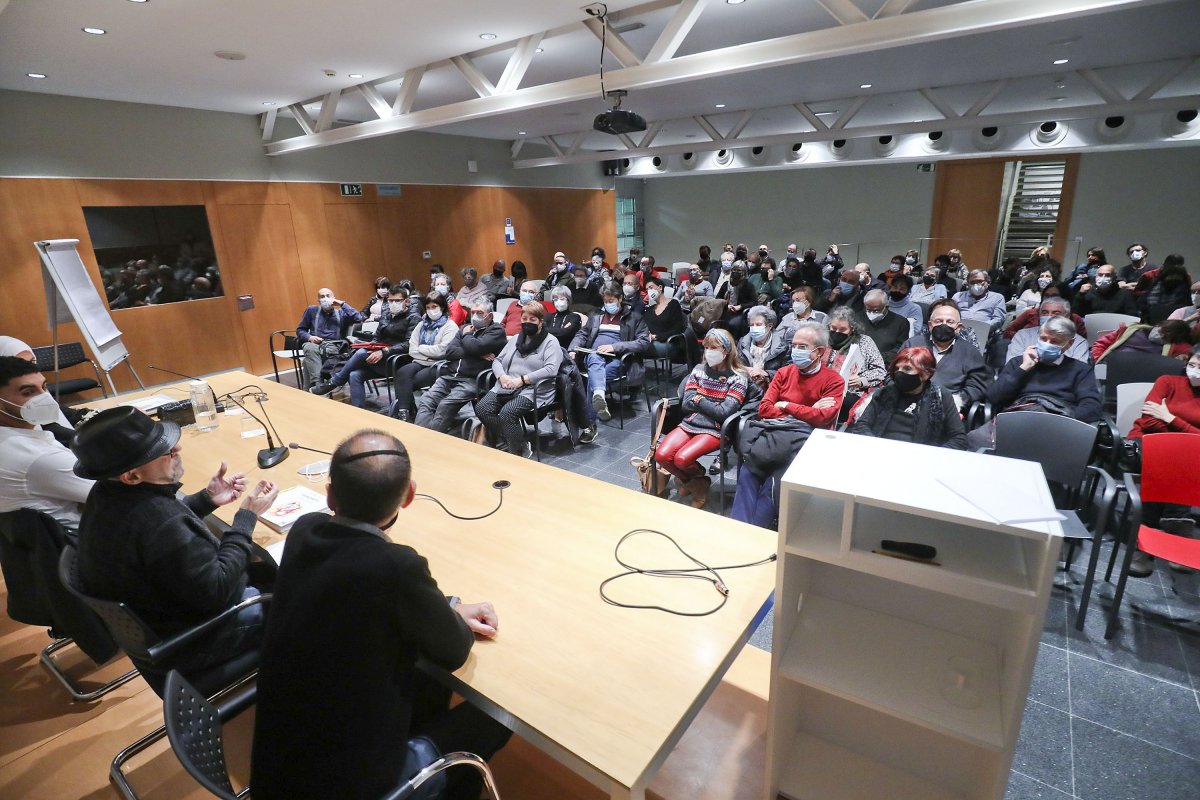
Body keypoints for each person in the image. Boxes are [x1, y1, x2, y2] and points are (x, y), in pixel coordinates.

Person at [250, 430, 510, 800]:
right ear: (409, 496)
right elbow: (453, 650)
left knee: (420, 675)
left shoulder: (304, 530)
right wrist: (445, 613)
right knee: (495, 716)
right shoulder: (395, 565)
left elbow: (362, 595)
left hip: (281, 765)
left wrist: (445, 605)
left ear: (329, 494)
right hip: (353, 784)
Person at [72, 407, 278, 690]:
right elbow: (217, 590)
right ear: (131, 476)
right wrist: (246, 518)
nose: (178, 447)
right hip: (195, 639)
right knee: (297, 588)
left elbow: (156, 529)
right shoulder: (160, 522)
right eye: (164, 451)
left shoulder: (106, 494)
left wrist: (208, 499)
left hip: (159, 625)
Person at [730, 322, 844, 528]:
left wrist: (787, 405)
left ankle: (755, 532)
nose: (795, 351)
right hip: (772, 434)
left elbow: (823, 417)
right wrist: (806, 410)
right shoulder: (784, 373)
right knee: (747, 474)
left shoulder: (834, 380)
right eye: (794, 345)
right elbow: (765, 409)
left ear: (818, 352)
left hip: (803, 443)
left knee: (773, 485)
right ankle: (738, 531)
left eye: (802, 347)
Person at [657, 329, 750, 509]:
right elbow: (686, 403)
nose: (708, 352)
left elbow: (724, 413)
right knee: (662, 455)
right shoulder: (699, 370)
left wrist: (699, 398)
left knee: (682, 459)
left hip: (716, 428)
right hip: (690, 422)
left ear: (726, 350)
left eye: (713, 347)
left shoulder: (739, 377)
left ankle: (693, 484)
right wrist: (711, 404)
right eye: (706, 347)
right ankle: (698, 482)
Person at [0, 357, 94, 529]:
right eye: (28, 392)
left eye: (43, 387)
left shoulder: (20, 435)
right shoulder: (37, 458)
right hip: (88, 545)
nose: (44, 398)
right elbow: (119, 494)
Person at [981, 316, 1103, 446]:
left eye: (1054, 342)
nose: (1047, 344)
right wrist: (1023, 368)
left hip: (1058, 425)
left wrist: (1061, 420)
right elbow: (993, 397)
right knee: (974, 439)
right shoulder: (1018, 363)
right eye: (1043, 339)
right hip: (1017, 420)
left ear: (1069, 344)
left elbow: (1092, 407)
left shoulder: (1081, 370)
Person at [475, 302, 564, 458]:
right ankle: (517, 440)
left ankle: (517, 452)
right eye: (524, 318)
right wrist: (501, 376)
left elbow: (551, 369)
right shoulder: (516, 338)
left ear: (541, 322)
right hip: (507, 385)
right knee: (482, 408)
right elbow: (497, 360)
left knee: (507, 413)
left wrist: (523, 380)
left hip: (534, 389)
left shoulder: (550, 342)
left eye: (533, 319)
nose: (527, 322)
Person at [310, 285, 417, 406]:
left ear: (406, 301)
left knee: (360, 353)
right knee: (354, 374)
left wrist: (383, 351)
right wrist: (372, 346)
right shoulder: (386, 314)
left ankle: (335, 381)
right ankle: (359, 413)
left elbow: (408, 345)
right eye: (390, 300)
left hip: (397, 361)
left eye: (397, 301)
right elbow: (377, 337)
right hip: (378, 359)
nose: (393, 303)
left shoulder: (413, 317)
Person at [414, 300, 506, 434]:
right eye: (473, 312)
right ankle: (418, 435)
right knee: (426, 400)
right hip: (450, 375)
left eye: (479, 313)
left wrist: (468, 338)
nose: (475, 316)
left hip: (474, 380)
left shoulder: (496, 331)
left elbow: (476, 346)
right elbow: (449, 352)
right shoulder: (464, 328)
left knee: (445, 405)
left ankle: (430, 439)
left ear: (490, 316)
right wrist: (477, 354)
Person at [848, 347, 967, 449]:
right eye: (897, 368)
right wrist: (876, 446)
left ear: (925, 374)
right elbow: (862, 426)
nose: (899, 373)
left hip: (922, 458)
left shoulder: (941, 396)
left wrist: (933, 456)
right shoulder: (884, 393)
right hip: (881, 452)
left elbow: (958, 439)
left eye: (907, 369)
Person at [570, 282, 650, 424]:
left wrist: (615, 347)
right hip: (594, 355)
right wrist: (573, 349)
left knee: (594, 375)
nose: (608, 304)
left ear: (620, 298)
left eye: (611, 301)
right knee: (594, 358)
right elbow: (582, 334)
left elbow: (643, 342)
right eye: (605, 301)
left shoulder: (634, 318)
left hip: (620, 359)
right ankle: (599, 397)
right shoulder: (596, 316)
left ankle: (590, 421)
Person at [900, 299, 990, 412]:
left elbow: (978, 385)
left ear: (959, 327)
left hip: (947, 408)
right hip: (907, 403)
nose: (944, 325)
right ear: (930, 325)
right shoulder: (912, 344)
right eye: (938, 321)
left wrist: (958, 401)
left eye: (950, 322)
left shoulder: (970, 352)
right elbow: (893, 374)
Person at [390, 292, 460, 421]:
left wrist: (421, 349)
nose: (431, 310)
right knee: (401, 373)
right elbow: (412, 349)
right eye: (428, 307)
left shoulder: (451, 327)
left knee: (411, 380)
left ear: (442, 307)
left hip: (441, 365)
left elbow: (442, 351)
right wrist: (428, 353)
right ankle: (405, 411)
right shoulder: (421, 325)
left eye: (434, 307)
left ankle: (409, 412)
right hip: (421, 362)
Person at [823, 307, 886, 416]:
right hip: (821, 387)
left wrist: (861, 380)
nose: (837, 332)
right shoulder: (822, 339)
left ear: (852, 328)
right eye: (833, 328)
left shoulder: (864, 342)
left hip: (850, 391)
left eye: (843, 330)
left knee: (835, 404)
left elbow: (880, 371)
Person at [296, 287, 364, 389]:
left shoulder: (341, 313)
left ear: (333, 298)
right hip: (314, 344)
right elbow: (300, 330)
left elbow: (359, 318)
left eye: (328, 296)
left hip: (334, 347)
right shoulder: (311, 311)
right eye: (322, 297)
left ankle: (312, 389)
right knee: (309, 347)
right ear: (318, 300)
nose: (325, 298)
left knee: (307, 360)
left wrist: (342, 304)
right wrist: (309, 337)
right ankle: (318, 385)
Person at [1006, 297, 1091, 364]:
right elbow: (1012, 365)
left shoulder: (1078, 342)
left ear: (1067, 317)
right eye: (1045, 312)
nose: (1049, 316)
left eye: (1056, 313)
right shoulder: (1022, 335)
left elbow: (1078, 371)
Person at [738, 306, 790, 398]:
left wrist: (766, 373)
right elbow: (735, 364)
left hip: (771, 391)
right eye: (751, 325)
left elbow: (788, 374)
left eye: (758, 325)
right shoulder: (742, 343)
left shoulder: (783, 347)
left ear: (769, 326)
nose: (754, 328)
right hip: (743, 386)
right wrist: (745, 369)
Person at [1092, 319, 1194, 363]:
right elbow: (1100, 344)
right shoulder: (1132, 329)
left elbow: (1190, 352)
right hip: (1108, 365)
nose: (1159, 334)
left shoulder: (1171, 347)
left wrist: (1183, 357)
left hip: (1136, 375)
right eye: (1161, 330)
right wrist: (1098, 360)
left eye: (1165, 336)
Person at [856, 288, 911, 364]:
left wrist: (878, 356)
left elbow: (901, 348)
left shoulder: (901, 323)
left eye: (876, 311)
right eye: (868, 310)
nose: (871, 314)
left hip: (885, 363)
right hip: (858, 361)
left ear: (886, 307)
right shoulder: (858, 317)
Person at [644, 276, 686, 363]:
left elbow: (677, 330)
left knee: (638, 348)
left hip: (669, 342)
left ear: (660, 287)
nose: (649, 291)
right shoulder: (649, 309)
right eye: (647, 289)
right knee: (635, 346)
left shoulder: (673, 304)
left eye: (651, 287)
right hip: (650, 342)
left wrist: (656, 337)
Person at [1138, 255, 1192, 324]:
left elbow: (1143, 302)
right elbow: (1187, 303)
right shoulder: (1184, 279)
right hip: (1175, 319)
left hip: (1153, 316)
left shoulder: (1159, 278)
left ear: (1165, 264)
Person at [1074, 263, 1139, 316]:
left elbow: (1132, 315)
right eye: (1100, 275)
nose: (1103, 278)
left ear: (1114, 278)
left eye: (1107, 275)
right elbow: (1076, 314)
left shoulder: (1125, 294)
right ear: (1096, 277)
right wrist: (1080, 295)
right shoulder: (1087, 292)